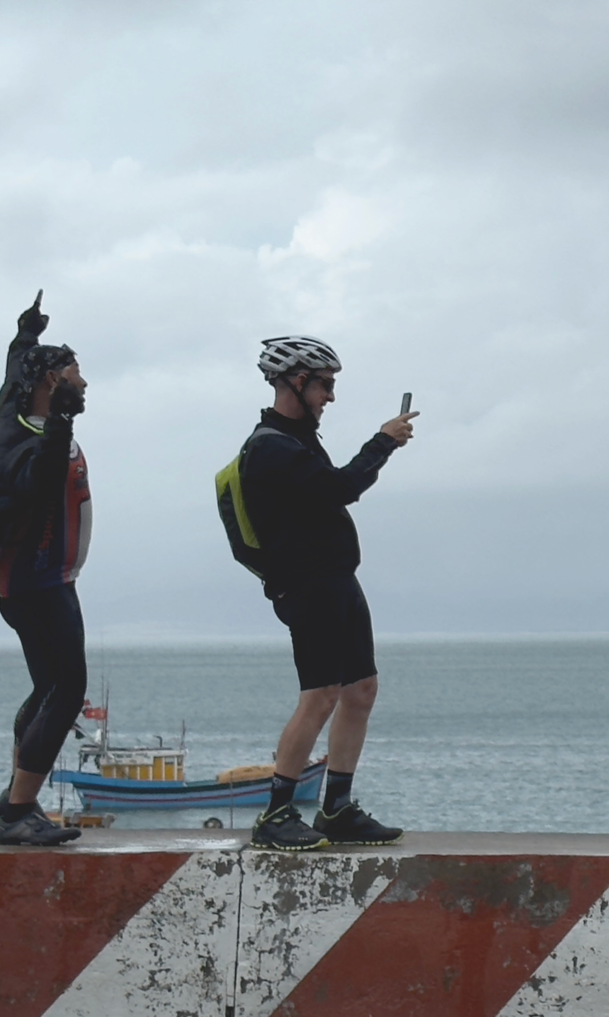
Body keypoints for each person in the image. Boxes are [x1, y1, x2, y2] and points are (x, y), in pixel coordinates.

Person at [241, 336, 417, 852]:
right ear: (298, 381)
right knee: (319, 696)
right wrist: (383, 441)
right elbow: (341, 488)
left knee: (361, 690)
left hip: (337, 578)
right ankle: (275, 814)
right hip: (308, 584)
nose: (330, 397)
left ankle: (336, 808)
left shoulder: (296, 439)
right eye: (325, 385)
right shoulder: (271, 446)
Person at [0, 294, 90, 846]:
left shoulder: (27, 413)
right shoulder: (19, 438)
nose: (85, 383)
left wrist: (27, 333)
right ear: (52, 380)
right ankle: (19, 810)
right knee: (68, 688)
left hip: (52, 580)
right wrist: (61, 422)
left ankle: (17, 796)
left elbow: (12, 377)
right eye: (75, 374)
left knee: (51, 685)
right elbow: (38, 483)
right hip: (36, 583)